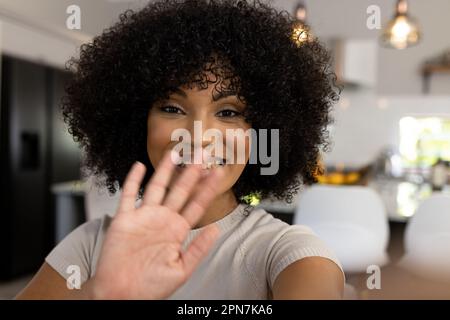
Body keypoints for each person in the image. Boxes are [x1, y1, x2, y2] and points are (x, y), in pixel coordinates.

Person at [16, 0, 344, 299]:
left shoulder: (285, 252)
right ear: (136, 123)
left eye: (228, 112)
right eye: (172, 108)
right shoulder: (91, 245)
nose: (198, 137)